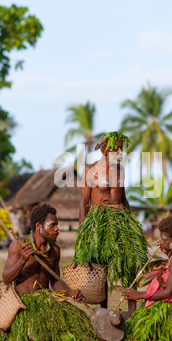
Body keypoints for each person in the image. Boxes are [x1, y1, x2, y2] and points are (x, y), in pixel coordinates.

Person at [0, 204, 97, 341]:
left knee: (79, 324)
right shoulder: (19, 245)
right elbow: (6, 278)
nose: (57, 229)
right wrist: (22, 260)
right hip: (24, 303)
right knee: (38, 337)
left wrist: (70, 292)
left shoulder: (54, 250)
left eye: (57, 225)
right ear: (38, 226)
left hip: (46, 299)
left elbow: (55, 282)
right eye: (52, 225)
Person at [73, 132, 150, 315]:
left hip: (121, 220)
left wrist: (132, 224)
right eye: (117, 148)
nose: (121, 151)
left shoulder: (120, 170)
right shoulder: (90, 171)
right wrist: (83, 230)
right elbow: (84, 203)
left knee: (129, 264)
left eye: (122, 148)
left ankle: (132, 313)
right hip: (99, 221)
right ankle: (104, 312)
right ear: (106, 150)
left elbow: (123, 198)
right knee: (101, 269)